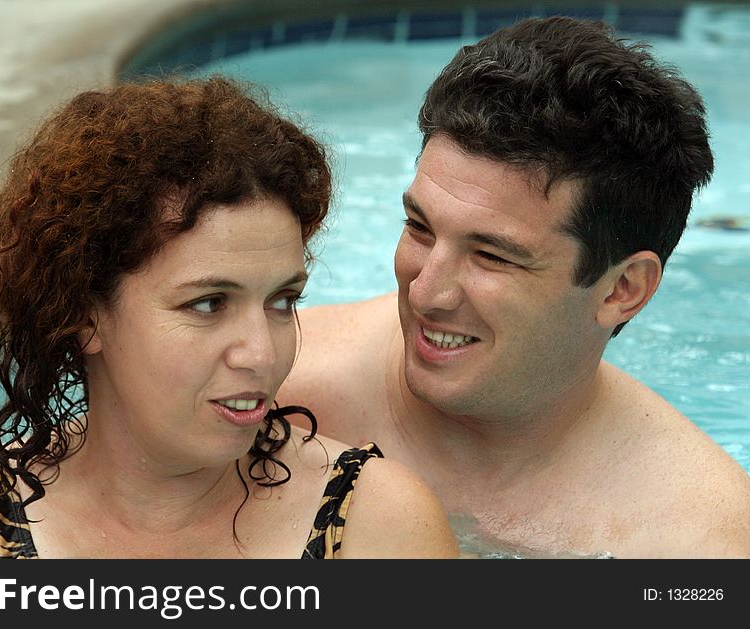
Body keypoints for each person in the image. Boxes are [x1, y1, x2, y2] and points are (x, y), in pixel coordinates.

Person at [0, 77, 459, 559]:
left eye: (282, 301)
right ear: (84, 313)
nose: (262, 352)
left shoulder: (375, 527)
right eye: (207, 304)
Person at [278, 16, 750, 558]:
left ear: (623, 289)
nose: (427, 293)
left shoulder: (694, 542)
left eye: (491, 256)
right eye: (419, 228)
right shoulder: (275, 395)